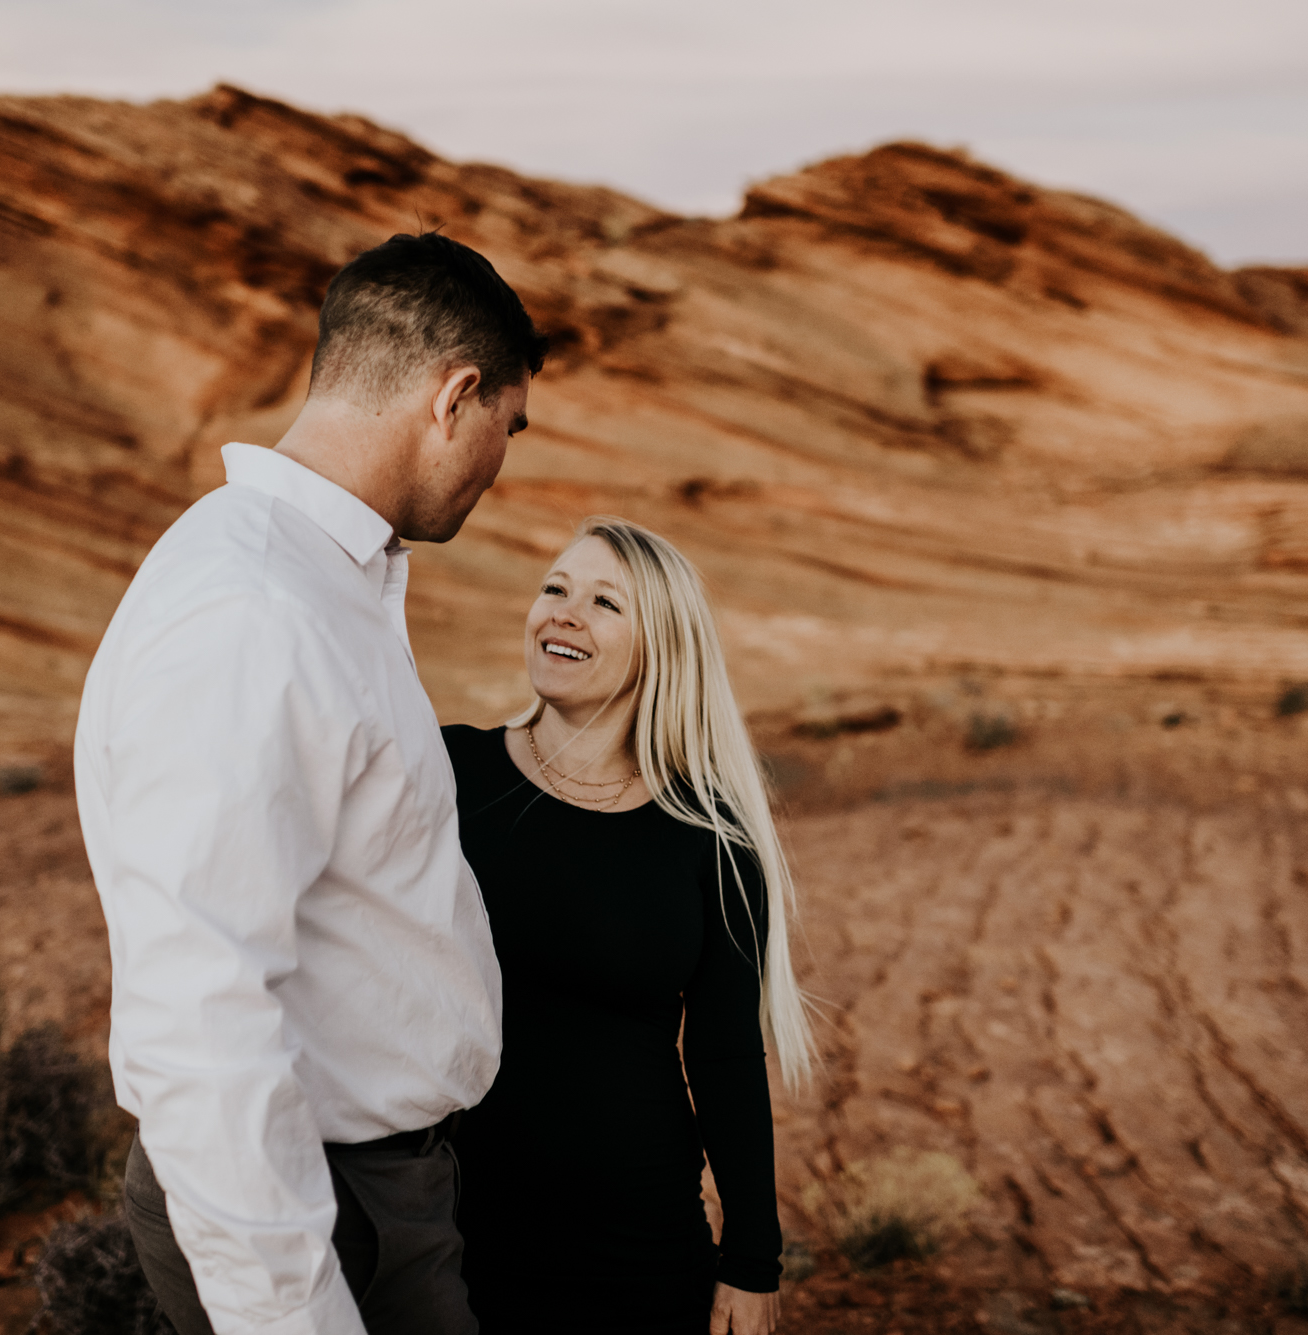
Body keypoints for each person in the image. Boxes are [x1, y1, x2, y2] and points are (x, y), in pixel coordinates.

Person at [74, 231, 545, 1335]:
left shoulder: (317, 579)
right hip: (324, 1206)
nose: (497, 466)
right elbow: (199, 1008)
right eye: (505, 429)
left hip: (371, 1190)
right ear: (453, 395)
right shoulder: (253, 610)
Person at [442, 517, 814, 1335]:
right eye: (554, 588)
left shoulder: (710, 842)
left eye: (604, 602)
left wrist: (752, 1257)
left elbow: (723, 1058)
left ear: (660, 650)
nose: (564, 613)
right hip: (445, 1233)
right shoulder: (448, 775)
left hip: (635, 1253)